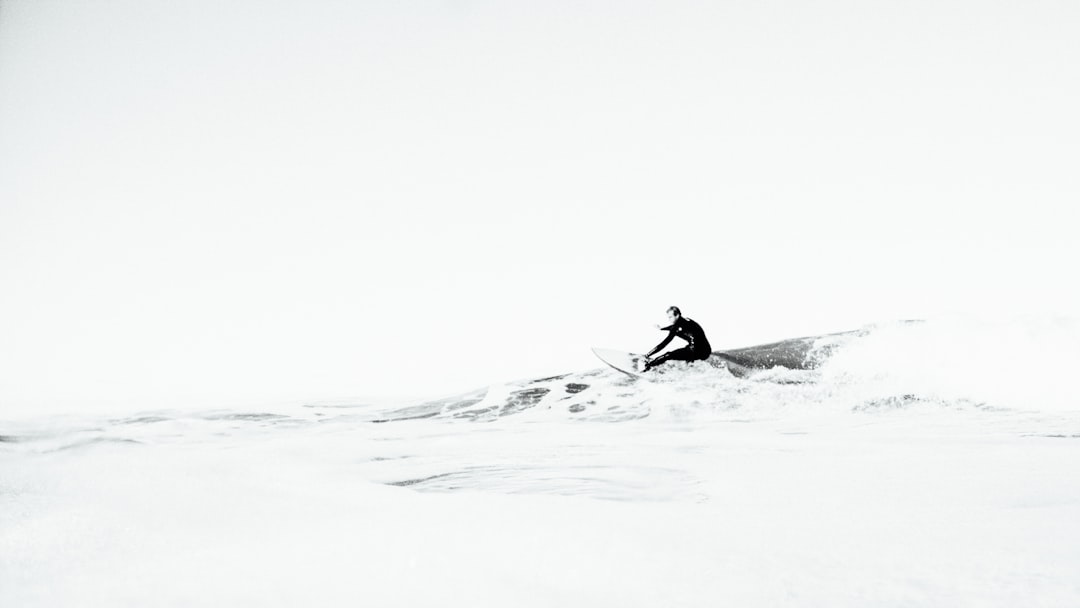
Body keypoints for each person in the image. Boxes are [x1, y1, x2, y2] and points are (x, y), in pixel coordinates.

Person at [642, 306, 712, 372]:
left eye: (670, 317)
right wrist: (662, 328)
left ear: (677, 315)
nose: (669, 319)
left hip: (695, 351)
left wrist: (648, 355)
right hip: (706, 351)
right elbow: (675, 327)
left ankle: (648, 366)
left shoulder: (676, 328)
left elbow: (664, 343)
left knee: (668, 355)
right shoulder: (688, 320)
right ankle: (690, 367)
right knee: (688, 351)